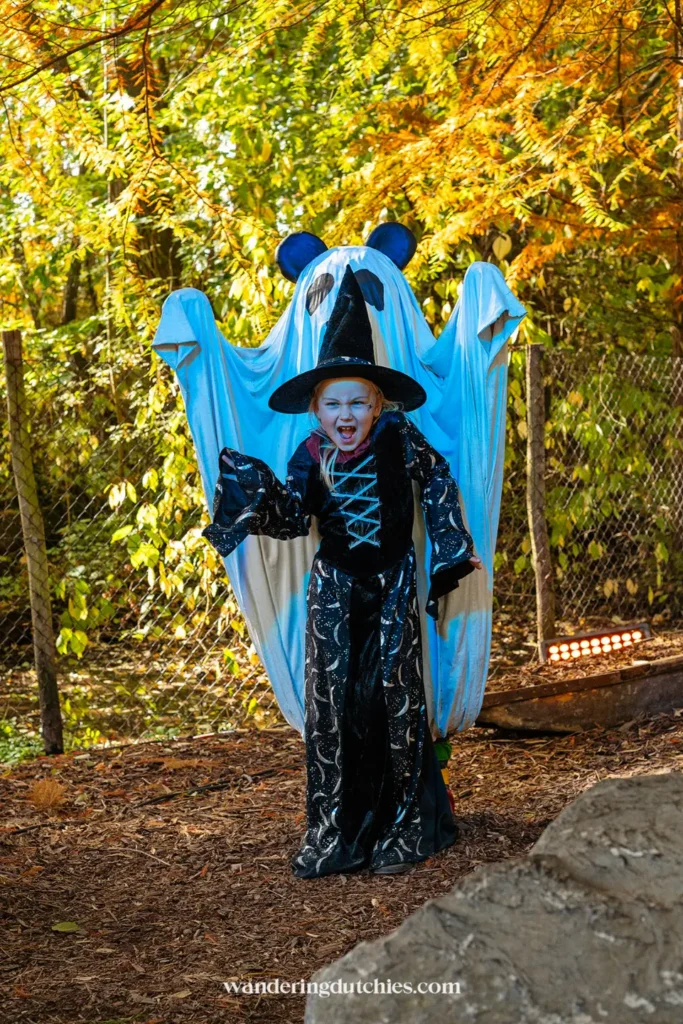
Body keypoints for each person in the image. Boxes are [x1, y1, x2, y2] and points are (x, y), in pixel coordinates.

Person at [202, 266, 482, 878]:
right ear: (316, 409)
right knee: (333, 705)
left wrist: (450, 547)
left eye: (358, 400)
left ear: (379, 403)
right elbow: (295, 518)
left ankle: (406, 824)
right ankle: (337, 832)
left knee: (394, 698)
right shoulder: (308, 455)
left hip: (392, 585)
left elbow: (437, 480)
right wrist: (255, 496)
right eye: (334, 403)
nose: (346, 413)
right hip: (332, 589)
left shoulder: (401, 438)